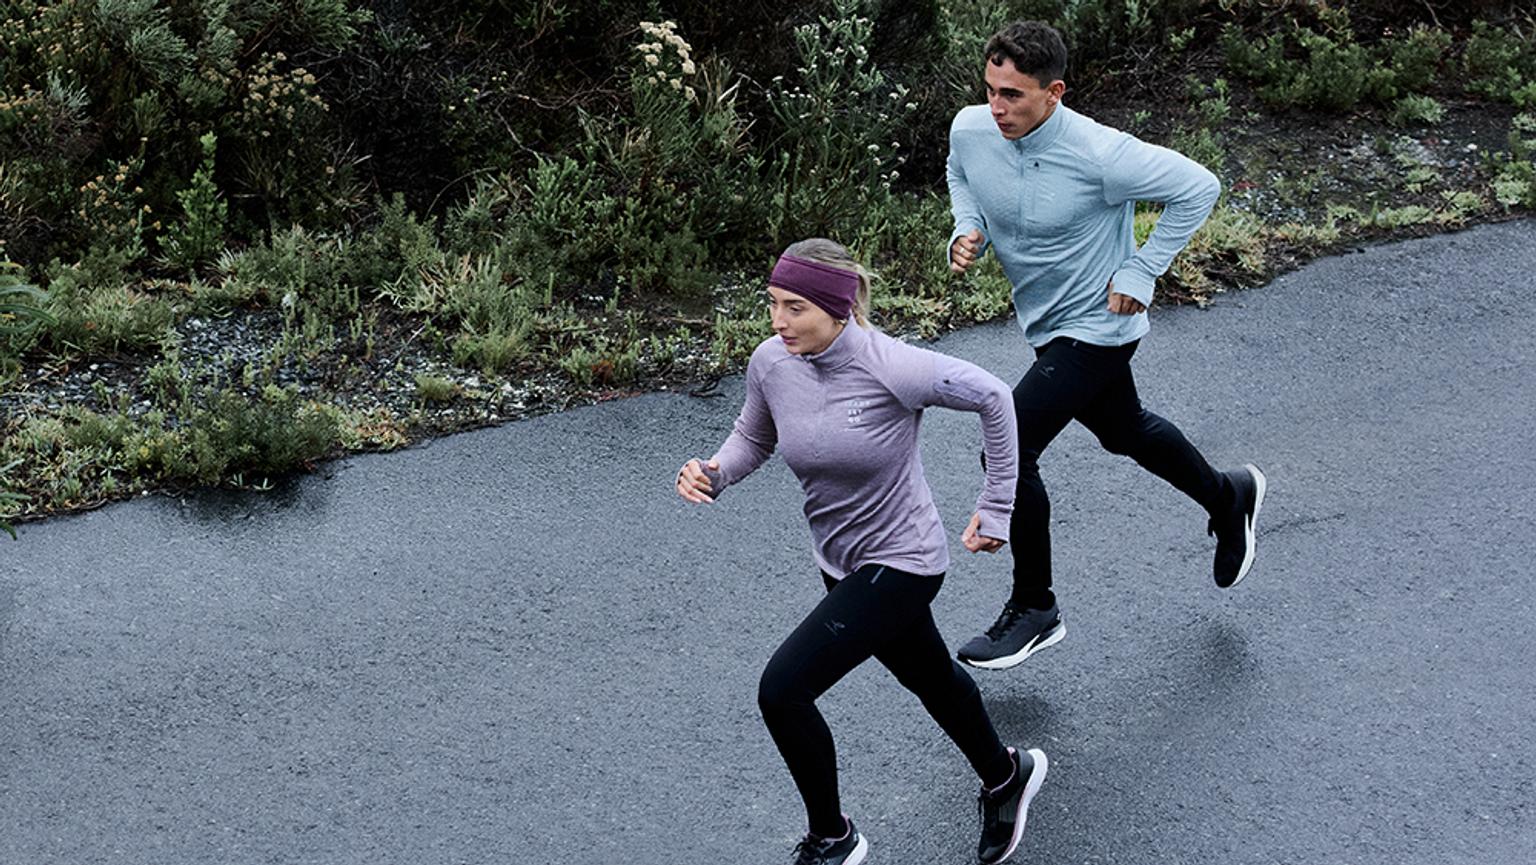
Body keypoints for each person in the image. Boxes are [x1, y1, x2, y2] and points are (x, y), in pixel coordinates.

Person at [676, 238, 1048, 865]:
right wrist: (715, 473)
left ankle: (833, 838)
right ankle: (1006, 775)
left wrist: (997, 505)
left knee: (784, 690)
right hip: (840, 561)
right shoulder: (772, 362)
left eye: (795, 307)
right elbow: (753, 436)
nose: (778, 321)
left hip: (903, 561)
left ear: (839, 308)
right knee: (930, 677)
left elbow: (993, 395)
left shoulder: (891, 366)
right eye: (773, 303)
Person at [945, 20, 1267, 670]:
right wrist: (968, 225)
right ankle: (1227, 496)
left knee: (1008, 442)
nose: (997, 107)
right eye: (991, 90)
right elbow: (962, 174)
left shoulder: (1099, 153)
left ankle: (1035, 607)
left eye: (1013, 95)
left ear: (1054, 92)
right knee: (1125, 430)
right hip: (1045, 323)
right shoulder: (972, 129)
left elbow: (1198, 186)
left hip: (1100, 325)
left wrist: (1142, 269)